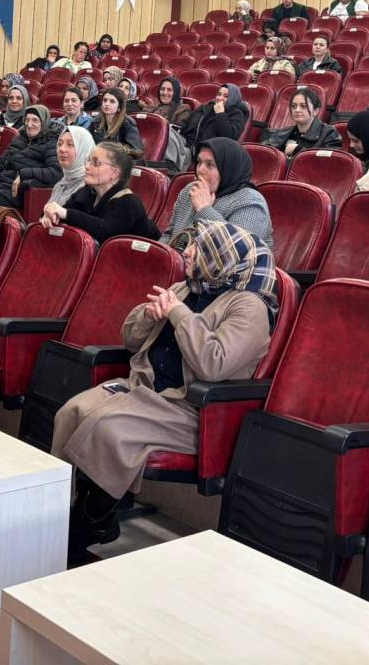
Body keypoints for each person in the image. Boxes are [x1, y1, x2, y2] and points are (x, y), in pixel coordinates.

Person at [53, 220, 276, 559]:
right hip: (143, 387)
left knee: (108, 430)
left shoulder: (250, 307)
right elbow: (130, 340)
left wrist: (178, 315)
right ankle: (74, 513)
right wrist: (149, 315)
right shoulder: (188, 287)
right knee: (71, 412)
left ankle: (87, 526)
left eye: (199, 247)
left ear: (221, 259)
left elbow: (214, 364)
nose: (187, 251)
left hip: (188, 409)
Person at [163, 137, 272, 247]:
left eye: (209, 164)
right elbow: (169, 234)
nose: (200, 169)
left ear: (228, 169)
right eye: (199, 162)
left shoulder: (250, 202)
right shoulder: (191, 189)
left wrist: (204, 209)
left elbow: (237, 248)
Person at [41, 141, 160, 242]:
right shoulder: (87, 192)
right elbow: (64, 211)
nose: (87, 166)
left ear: (114, 173)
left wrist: (65, 213)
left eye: (95, 163)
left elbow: (104, 230)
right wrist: (50, 215)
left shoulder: (129, 202)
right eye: (88, 161)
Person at [260, 86, 341, 156]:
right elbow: (263, 151)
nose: (297, 110)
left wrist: (298, 150)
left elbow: (330, 163)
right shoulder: (284, 132)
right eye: (294, 106)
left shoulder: (329, 133)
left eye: (303, 106)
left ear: (315, 111)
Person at [185, 83, 248, 147]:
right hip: (189, 143)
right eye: (219, 94)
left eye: (225, 96)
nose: (220, 98)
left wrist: (220, 114)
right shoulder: (207, 106)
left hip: (210, 149)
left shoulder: (237, 114)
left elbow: (229, 137)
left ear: (233, 98)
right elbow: (189, 122)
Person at [89, 87, 142, 153]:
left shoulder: (127, 124)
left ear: (119, 107)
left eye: (112, 101)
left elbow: (135, 150)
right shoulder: (95, 121)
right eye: (105, 100)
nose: (107, 104)